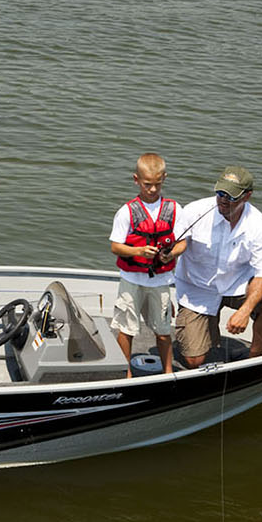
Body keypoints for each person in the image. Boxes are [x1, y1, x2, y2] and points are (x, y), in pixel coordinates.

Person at [171, 164, 262, 365]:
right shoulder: (194, 211)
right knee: (194, 360)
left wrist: (245, 311)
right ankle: (202, 333)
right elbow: (177, 245)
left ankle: (253, 359)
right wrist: (167, 255)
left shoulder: (258, 223)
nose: (223, 200)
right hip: (198, 289)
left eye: (231, 196)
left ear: (247, 196)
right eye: (220, 193)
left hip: (237, 284)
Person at [108, 153, 186, 375]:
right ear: (136, 180)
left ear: (164, 179)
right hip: (131, 280)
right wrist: (138, 251)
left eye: (157, 184)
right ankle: (125, 374)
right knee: (127, 329)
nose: (152, 189)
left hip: (160, 281)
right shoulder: (126, 212)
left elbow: (182, 243)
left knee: (163, 331)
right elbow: (115, 246)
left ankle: (168, 372)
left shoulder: (174, 209)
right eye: (147, 184)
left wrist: (171, 254)